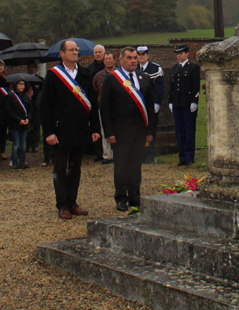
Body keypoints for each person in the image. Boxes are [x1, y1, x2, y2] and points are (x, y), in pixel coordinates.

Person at [41, 39, 100, 219]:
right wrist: (49, 132)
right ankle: (62, 205)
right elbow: (45, 106)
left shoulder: (85, 74)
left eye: (77, 50)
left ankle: (72, 202)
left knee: (76, 168)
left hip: (80, 129)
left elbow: (92, 104)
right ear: (62, 53)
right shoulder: (53, 75)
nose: (75, 52)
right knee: (60, 168)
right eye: (71, 50)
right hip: (60, 130)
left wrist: (95, 128)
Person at [100, 46, 158, 212]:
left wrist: (150, 131)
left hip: (139, 131)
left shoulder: (144, 78)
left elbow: (150, 107)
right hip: (120, 132)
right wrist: (109, 133)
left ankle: (135, 196)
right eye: (130, 58)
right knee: (121, 167)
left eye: (135, 58)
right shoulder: (112, 79)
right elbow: (105, 108)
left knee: (135, 166)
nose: (133, 61)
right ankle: (121, 197)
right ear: (121, 60)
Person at [167, 43, 200, 166]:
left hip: (188, 103)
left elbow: (195, 85)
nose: (179, 56)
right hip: (177, 103)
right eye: (177, 54)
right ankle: (182, 157)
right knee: (179, 131)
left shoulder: (193, 67)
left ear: (187, 53)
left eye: (181, 53)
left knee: (189, 130)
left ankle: (189, 156)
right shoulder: (175, 68)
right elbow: (172, 86)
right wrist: (170, 101)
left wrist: (194, 101)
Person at [92, 51, 117, 164]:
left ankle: (118, 153)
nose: (108, 61)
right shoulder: (98, 76)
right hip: (103, 107)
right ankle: (107, 155)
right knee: (104, 131)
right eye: (106, 59)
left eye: (110, 59)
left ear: (114, 60)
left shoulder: (120, 74)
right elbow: (95, 90)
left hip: (118, 107)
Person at [6, 79, 32, 169]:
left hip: (24, 123)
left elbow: (30, 109)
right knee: (16, 143)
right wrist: (18, 120)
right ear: (15, 85)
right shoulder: (10, 96)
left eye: (23, 84)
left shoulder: (26, 97)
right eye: (20, 84)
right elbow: (9, 110)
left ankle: (22, 161)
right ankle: (15, 161)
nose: (22, 86)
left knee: (23, 144)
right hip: (15, 123)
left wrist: (28, 118)